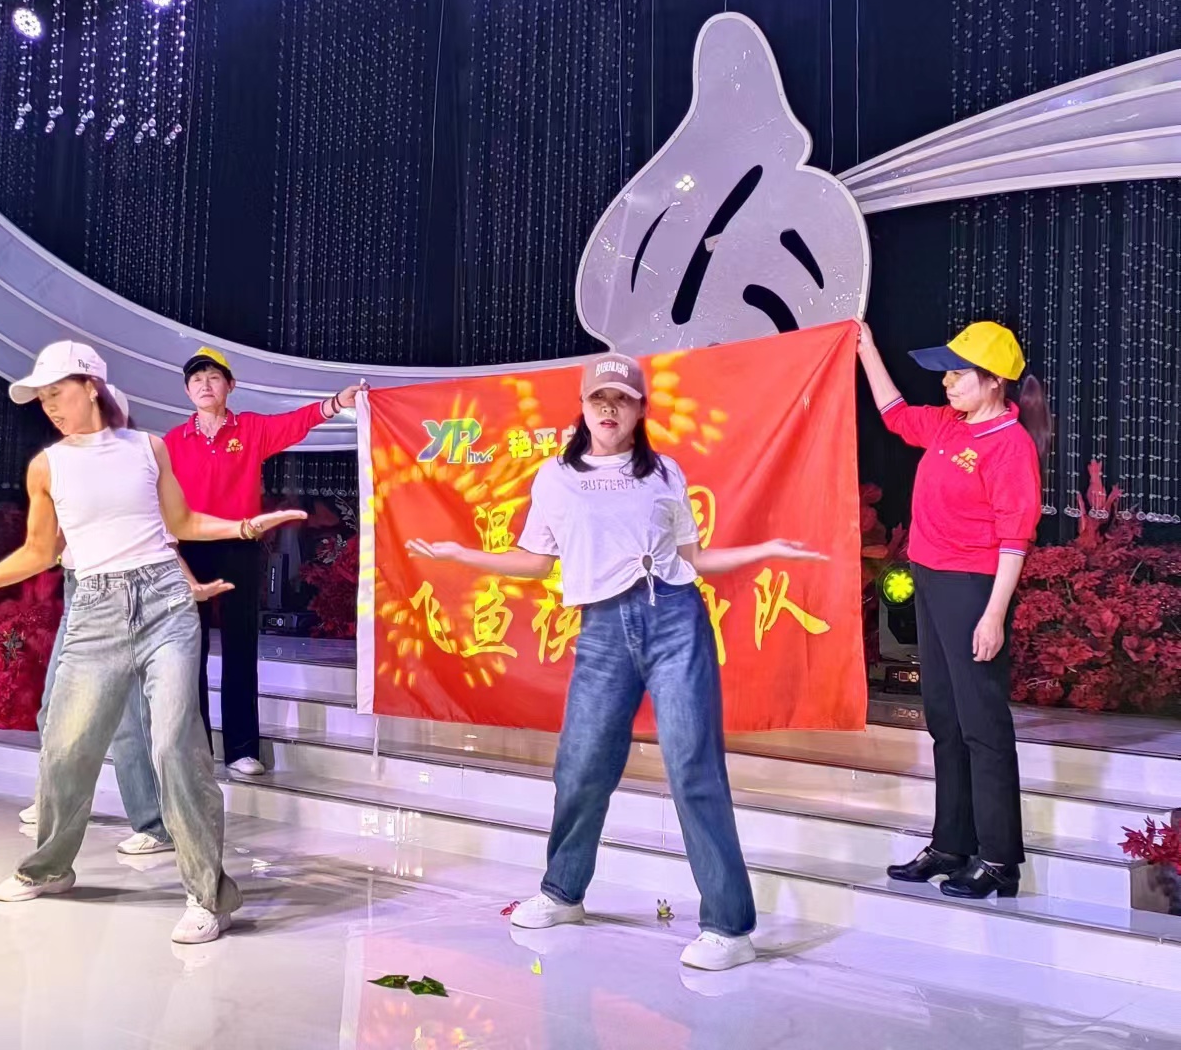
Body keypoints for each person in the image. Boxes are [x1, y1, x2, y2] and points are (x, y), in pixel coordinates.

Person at [407, 353, 824, 972]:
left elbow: (692, 557)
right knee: (580, 766)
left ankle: (729, 927)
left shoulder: (665, 472)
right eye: (599, 399)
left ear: (640, 410)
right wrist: (460, 555)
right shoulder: (555, 477)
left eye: (622, 399)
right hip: (602, 627)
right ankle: (563, 893)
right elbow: (536, 562)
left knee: (693, 765)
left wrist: (763, 550)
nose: (609, 408)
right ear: (582, 407)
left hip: (673, 619)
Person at [0, 340, 304, 944]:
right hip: (95, 610)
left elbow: (180, 524)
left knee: (175, 745)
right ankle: (49, 867)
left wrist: (245, 526)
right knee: (66, 745)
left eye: (57, 392)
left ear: (90, 387)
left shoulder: (148, 448)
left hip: (165, 605)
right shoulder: (48, 466)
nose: (48, 406)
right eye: (41, 398)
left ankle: (208, 894)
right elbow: (40, 550)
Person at [859, 320, 1048, 899]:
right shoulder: (949, 424)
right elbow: (895, 415)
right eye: (946, 373)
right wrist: (868, 348)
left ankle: (999, 860)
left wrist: (993, 614)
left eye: (958, 374)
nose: (947, 383)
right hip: (932, 580)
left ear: (994, 381)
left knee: (981, 724)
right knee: (944, 718)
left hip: (974, 587)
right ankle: (950, 844)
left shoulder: (1010, 445)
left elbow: (1015, 538)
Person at [15, 390, 232, 858]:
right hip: (82, 592)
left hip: (134, 596)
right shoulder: (64, 466)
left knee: (130, 719)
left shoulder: (138, 466)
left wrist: (188, 586)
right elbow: (49, 544)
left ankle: (154, 822)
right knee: (55, 706)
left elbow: (167, 540)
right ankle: (55, 803)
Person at [162, 346, 364, 776]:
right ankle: (194, 750)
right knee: (189, 649)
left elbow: (294, 423)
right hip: (190, 550)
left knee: (240, 645)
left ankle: (241, 749)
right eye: (196, 380)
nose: (204, 385)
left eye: (213, 378)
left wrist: (336, 403)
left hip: (239, 545)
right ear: (186, 391)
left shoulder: (250, 430)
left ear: (230, 385)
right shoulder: (173, 442)